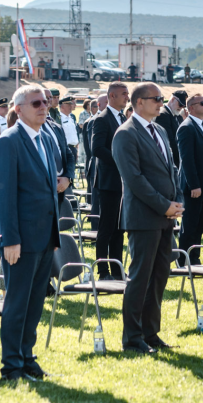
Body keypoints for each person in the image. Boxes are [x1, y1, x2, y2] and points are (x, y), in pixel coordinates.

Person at [0, 84, 60, 381]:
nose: (43, 107)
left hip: (44, 237)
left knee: (35, 304)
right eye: (36, 103)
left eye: (45, 102)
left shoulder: (46, 137)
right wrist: (10, 239)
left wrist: (54, 236)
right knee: (18, 303)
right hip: (20, 238)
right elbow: (3, 194)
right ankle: (12, 366)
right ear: (18, 109)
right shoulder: (10, 141)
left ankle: (27, 356)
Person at [112, 84, 183, 353]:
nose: (161, 103)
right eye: (156, 99)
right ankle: (132, 337)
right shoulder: (126, 134)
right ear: (139, 102)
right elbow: (135, 180)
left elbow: (171, 170)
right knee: (140, 277)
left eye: (162, 99)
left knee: (159, 276)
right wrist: (164, 205)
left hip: (166, 216)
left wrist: (177, 203)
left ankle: (151, 333)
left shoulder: (161, 130)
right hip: (143, 217)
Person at [91, 82, 127, 279]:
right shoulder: (103, 119)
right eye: (123, 94)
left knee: (119, 229)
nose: (127, 97)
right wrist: (121, 159)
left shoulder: (122, 117)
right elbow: (97, 149)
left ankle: (117, 269)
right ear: (112, 96)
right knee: (106, 228)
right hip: (109, 181)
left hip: (121, 181)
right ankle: (103, 270)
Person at [176, 94, 203, 264]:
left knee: (200, 225)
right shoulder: (187, 127)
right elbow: (187, 159)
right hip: (194, 186)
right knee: (190, 225)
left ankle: (195, 258)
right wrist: (194, 185)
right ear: (191, 108)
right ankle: (183, 259)